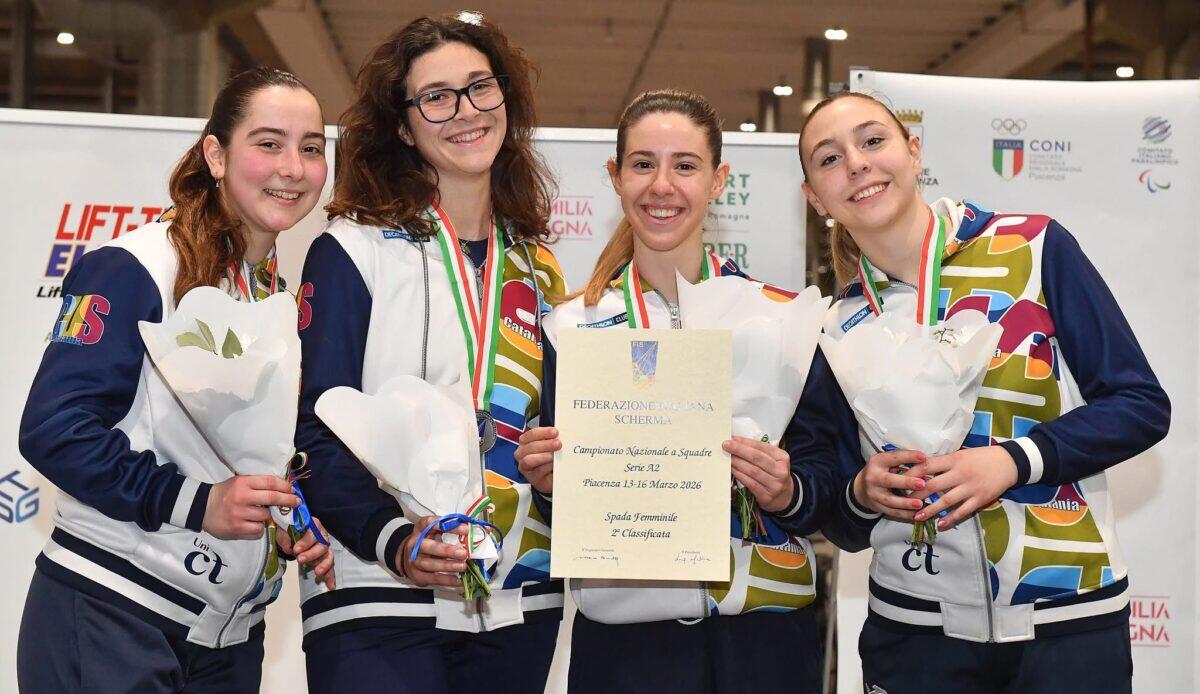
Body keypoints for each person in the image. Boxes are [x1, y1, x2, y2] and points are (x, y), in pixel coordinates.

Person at [800, 91, 1171, 694]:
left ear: (913, 153)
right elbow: (844, 521)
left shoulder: (1033, 247)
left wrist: (1010, 461)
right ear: (816, 197)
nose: (858, 164)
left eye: (873, 141)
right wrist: (864, 492)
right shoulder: (836, 325)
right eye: (829, 158)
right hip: (916, 633)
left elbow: (1139, 406)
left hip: (1067, 621)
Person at [517, 88, 851, 693]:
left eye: (686, 165)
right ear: (616, 177)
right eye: (643, 164)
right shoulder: (572, 328)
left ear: (719, 180)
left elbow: (829, 471)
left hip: (768, 639)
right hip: (627, 650)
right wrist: (548, 487)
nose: (662, 185)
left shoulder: (779, 317)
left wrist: (788, 490)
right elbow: (563, 508)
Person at [17, 66, 334, 693]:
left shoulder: (269, 290)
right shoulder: (136, 266)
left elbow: (232, 449)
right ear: (216, 154)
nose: (293, 167)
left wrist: (291, 514)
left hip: (226, 637)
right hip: (114, 614)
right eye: (268, 143)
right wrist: (197, 502)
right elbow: (56, 430)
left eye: (312, 147)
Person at [294, 12, 568, 694]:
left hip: (519, 598)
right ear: (402, 123)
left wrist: (564, 468)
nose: (466, 112)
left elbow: (570, 431)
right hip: (377, 592)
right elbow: (310, 428)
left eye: (481, 87)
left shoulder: (539, 269)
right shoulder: (351, 251)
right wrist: (392, 537)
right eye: (436, 97)